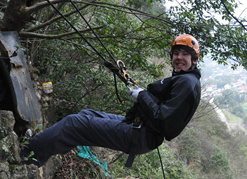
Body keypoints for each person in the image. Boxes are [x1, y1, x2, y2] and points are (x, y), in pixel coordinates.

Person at [20, 34, 201, 167]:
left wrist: (142, 96)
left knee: (74, 123)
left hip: (141, 135)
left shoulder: (187, 83)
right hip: (139, 128)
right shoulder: (184, 80)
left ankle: (28, 154)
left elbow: (165, 120)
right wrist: (142, 93)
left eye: (184, 54)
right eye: (176, 53)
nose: (178, 58)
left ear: (194, 60)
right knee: (86, 115)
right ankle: (46, 147)